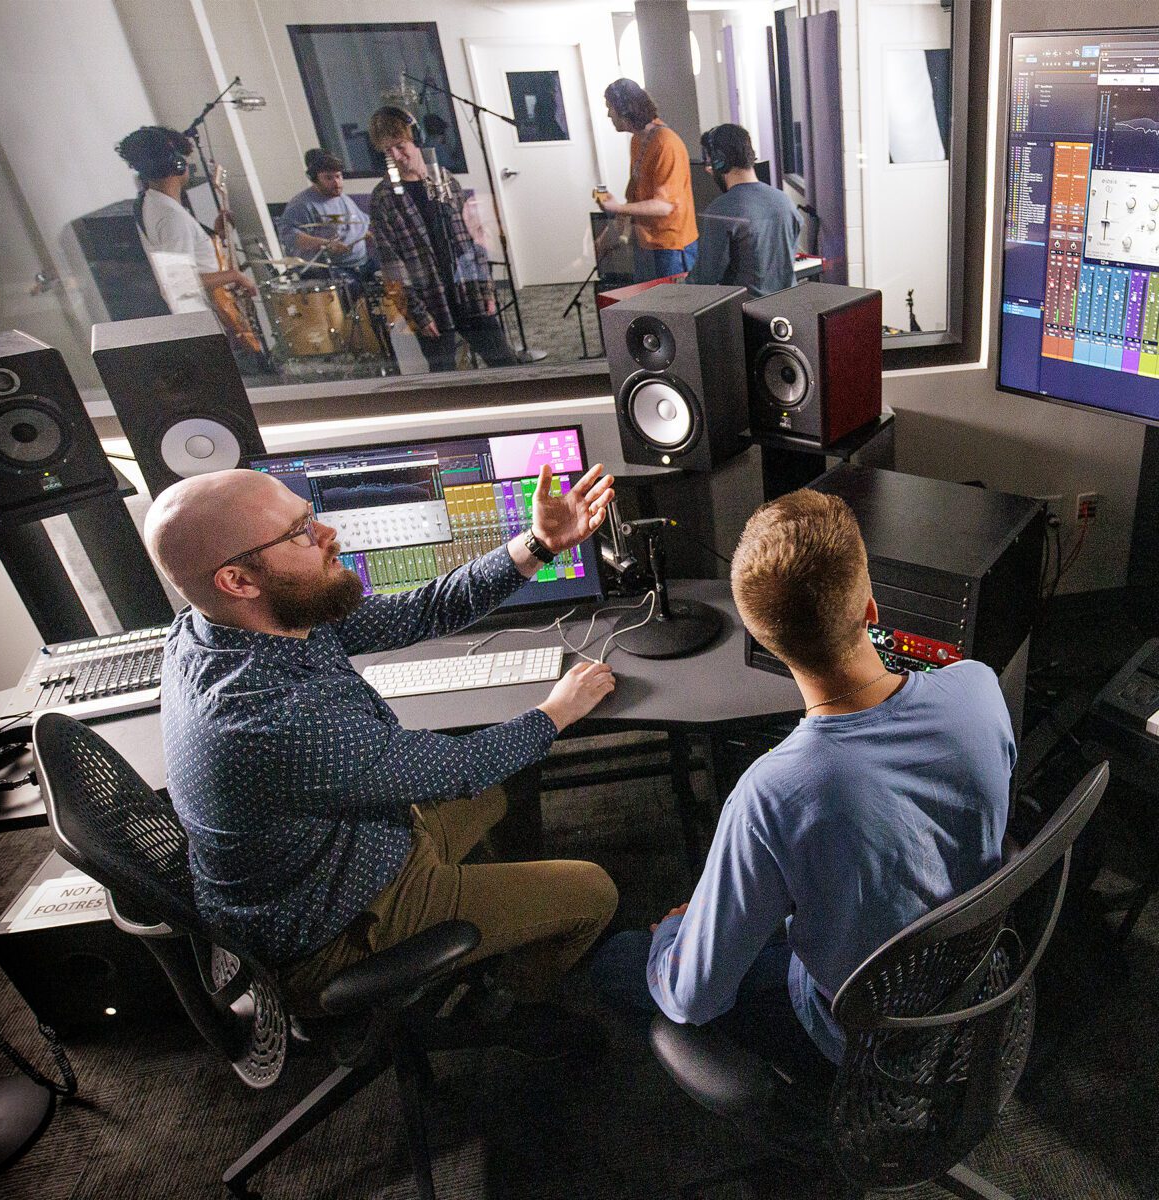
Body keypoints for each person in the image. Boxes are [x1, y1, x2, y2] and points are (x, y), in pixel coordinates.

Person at [141, 462, 620, 1033]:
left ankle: (493, 925)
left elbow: (424, 610)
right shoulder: (268, 718)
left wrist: (539, 545)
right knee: (593, 890)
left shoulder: (229, 623)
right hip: (336, 925)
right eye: (299, 533)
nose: (327, 536)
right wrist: (559, 709)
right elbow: (460, 766)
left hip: (345, 846)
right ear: (238, 580)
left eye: (308, 519)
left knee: (502, 787)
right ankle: (504, 1007)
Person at [592, 489, 1015, 1066]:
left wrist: (676, 934)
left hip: (858, 1031)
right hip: (967, 982)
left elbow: (697, 1000)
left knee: (620, 959)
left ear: (765, 639)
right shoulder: (978, 687)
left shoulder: (770, 796)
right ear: (871, 608)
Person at [367, 106, 517, 372]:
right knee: (444, 376)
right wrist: (418, 314)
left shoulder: (445, 180)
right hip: (429, 299)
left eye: (401, 146)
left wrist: (486, 289)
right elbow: (393, 265)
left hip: (468, 290)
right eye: (387, 151)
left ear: (416, 140)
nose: (397, 157)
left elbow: (474, 239)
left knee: (505, 362)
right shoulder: (383, 198)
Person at [116, 125, 258, 315]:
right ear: (178, 164)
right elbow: (179, 282)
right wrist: (233, 275)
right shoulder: (171, 216)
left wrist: (216, 236)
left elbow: (189, 258)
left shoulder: (152, 202)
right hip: (204, 318)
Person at [596, 78, 699, 283]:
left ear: (625, 111)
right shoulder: (637, 140)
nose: (608, 114)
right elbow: (638, 195)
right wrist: (612, 228)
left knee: (673, 311)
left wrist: (617, 208)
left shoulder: (666, 144)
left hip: (672, 246)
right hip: (647, 241)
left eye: (610, 108)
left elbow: (664, 207)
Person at [685, 124, 801, 297]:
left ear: (719, 161)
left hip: (746, 316)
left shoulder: (721, 210)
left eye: (710, 161)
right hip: (785, 312)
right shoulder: (784, 201)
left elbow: (704, 278)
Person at [277, 148, 375, 288]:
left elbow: (357, 225)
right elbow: (288, 235)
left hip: (362, 264)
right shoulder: (302, 204)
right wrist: (326, 244)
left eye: (338, 176)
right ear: (315, 179)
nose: (336, 183)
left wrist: (369, 235)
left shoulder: (343, 198)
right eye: (329, 178)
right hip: (332, 271)